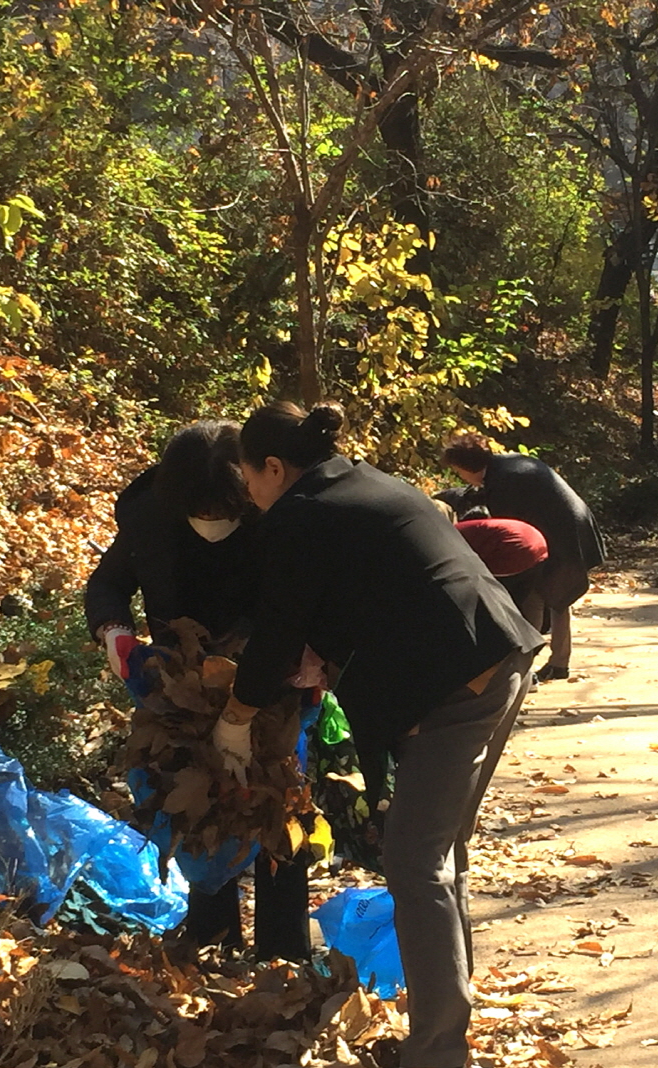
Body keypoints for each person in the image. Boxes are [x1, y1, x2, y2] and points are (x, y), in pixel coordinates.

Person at [221, 402, 543, 1068]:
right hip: (494, 653)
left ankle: (436, 1052)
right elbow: (375, 590)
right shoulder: (360, 484)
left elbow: (278, 626)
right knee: (435, 853)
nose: (248, 495)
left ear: (274, 468)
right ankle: (444, 1024)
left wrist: (237, 714)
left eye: (248, 478)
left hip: (462, 680)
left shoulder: (299, 515)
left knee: (412, 862)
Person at [84, 422, 313, 956]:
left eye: (223, 511)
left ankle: (286, 950)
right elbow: (108, 583)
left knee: (278, 805)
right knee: (197, 811)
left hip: (271, 682)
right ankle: (213, 941)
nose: (211, 521)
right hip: (179, 691)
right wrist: (115, 632)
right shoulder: (151, 511)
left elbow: (306, 597)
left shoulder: (279, 513)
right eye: (200, 511)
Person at [442, 434, 605, 683]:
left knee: (535, 598)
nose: (460, 476)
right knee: (558, 598)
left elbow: (508, 529)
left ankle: (527, 665)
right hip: (572, 526)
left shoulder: (504, 481)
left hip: (560, 534)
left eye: (458, 471)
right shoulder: (508, 464)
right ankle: (558, 662)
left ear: (467, 466)